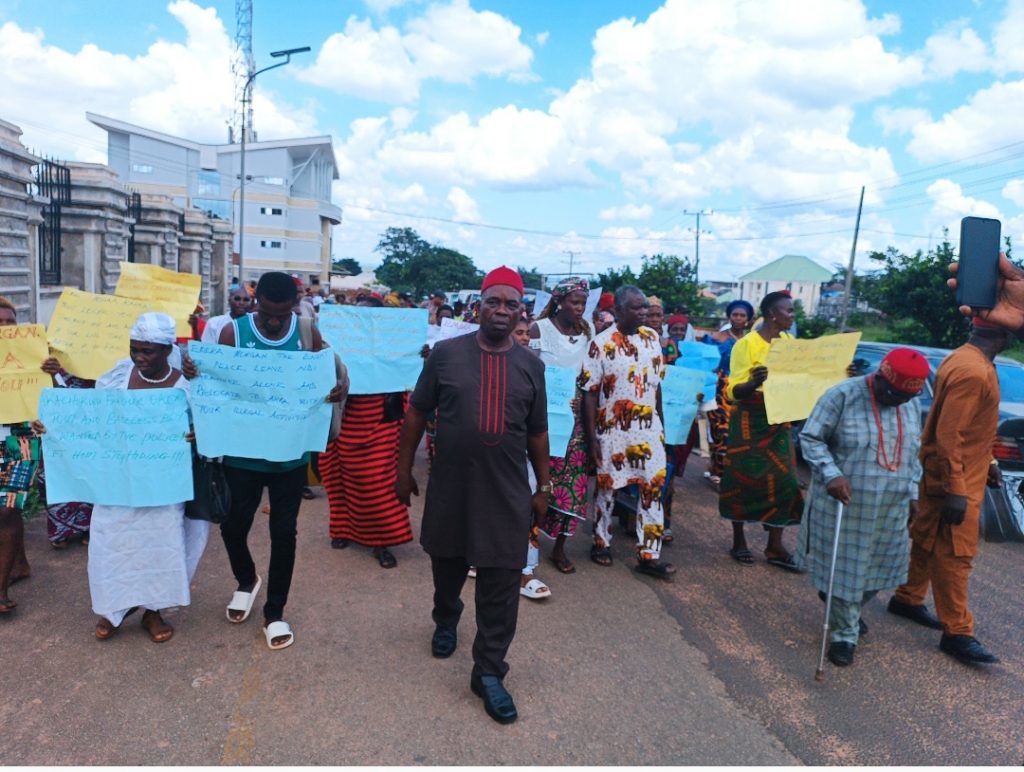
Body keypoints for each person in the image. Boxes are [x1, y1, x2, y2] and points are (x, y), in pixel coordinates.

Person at [395, 266, 550, 725]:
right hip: (452, 485)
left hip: (506, 491)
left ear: (521, 311)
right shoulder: (444, 355)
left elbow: (538, 432)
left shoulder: (531, 366)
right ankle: (446, 618)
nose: (502, 311)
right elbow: (417, 414)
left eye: (511, 305)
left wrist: (543, 487)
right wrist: (402, 471)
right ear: (478, 307)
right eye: (493, 302)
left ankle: (488, 673)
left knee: (503, 581)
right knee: (447, 563)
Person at [192, 271, 348, 651]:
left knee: (284, 533)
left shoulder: (308, 333)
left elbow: (333, 376)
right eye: (267, 313)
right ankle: (246, 580)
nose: (275, 320)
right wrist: (195, 374)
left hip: (290, 455)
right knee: (232, 526)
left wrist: (337, 387)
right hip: (242, 454)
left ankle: (274, 612)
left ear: (294, 305)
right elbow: (216, 386)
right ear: (254, 300)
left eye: (283, 313)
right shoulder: (234, 333)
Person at [36, 312, 205, 641]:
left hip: (164, 486)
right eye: (134, 349)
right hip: (117, 481)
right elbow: (89, 413)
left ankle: (153, 612)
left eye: (148, 351)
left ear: (168, 348)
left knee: (161, 545)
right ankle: (113, 610)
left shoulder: (186, 385)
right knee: (111, 542)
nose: (139, 357)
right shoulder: (117, 375)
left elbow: (208, 425)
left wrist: (196, 434)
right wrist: (51, 424)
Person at [797, 348, 930, 667]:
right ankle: (845, 634)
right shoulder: (841, 395)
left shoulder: (909, 404)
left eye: (905, 397)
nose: (899, 402)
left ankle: (846, 607)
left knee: (882, 569)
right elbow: (811, 438)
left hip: (890, 505)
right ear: (880, 378)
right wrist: (832, 473)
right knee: (845, 569)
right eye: (894, 394)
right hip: (844, 504)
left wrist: (913, 493)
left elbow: (913, 453)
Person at [888, 319, 1009, 665]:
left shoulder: (964, 358)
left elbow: (972, 430)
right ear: (1001, 336)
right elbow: (948, 434)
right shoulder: (974, 371)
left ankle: (908, 598)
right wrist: (957, 489)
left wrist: (988, 464)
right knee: (956, 554)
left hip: (953, 472)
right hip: (955, 479)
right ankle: (957, 631)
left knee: (927, 537)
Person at [582, 285, 674, 579]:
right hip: (612, 431)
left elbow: (655, 386)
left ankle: (649, 554)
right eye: (636, 308)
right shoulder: (600, 343)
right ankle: (601, 542)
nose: (643, 313)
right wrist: (592, 437)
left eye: (645, 307)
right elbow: (589, 392)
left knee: (652, 489)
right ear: (619, 311)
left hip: (648, 430)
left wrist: (661, 426)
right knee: (608, 487)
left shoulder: (653, 339)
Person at [320, 296, 413, 569]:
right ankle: (343, 531)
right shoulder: (335, 346)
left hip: (380, 421)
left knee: (377, 485)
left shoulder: (396, 349)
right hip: (345, 418)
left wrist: (418, 358)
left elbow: (408, 378)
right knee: (339, 481)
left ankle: (381, 541)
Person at [719, 291, 803, 569]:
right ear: (772, 314)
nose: (792, 316)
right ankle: (739, 540)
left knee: (786, 483)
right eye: (788, 311)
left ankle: (775, 545)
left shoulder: (790, 343)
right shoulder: (747, 344)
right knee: (742, 477)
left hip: (779, 419)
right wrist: (753, 383)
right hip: (750, 419)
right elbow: (734, 392)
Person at [528, 277, 592, 577]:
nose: (580, 308)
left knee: (572, 485)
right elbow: (527, 370)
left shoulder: (586, 335)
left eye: (583, 303)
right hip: (541, 417)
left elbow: (586, 378)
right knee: (538, 479)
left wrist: (579, 396)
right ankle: (526, 542)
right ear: (559, 301)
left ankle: (560, 547)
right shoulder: (539, 330)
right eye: (574, 302)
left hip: (572, 421)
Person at [0, 297, 40, 614]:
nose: (4, 328)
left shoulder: (32, 355)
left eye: (9, 322)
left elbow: (52, 395)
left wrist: (51, 371)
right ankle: (20, 564)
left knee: (6, 511)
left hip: (20, 441)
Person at [703, 299, 755, 486]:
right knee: (721, 430)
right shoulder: (717, 338)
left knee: (740, 432)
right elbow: (708, 364)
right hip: (720, 389)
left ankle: (734, 472)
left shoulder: (752, 340)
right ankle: (718, 471)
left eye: (742, 315)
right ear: (729, 316)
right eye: (735, 314)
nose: (738, 318)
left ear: (748, 319)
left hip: (744, 389)